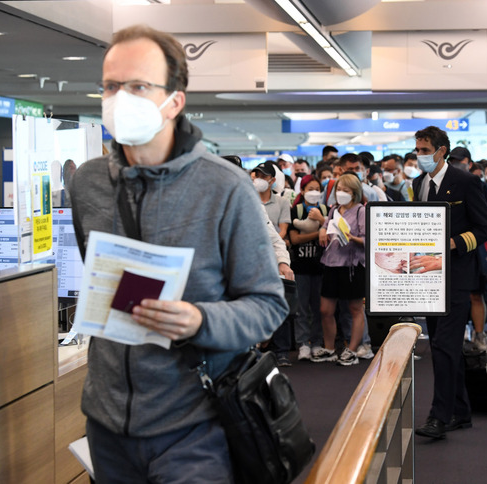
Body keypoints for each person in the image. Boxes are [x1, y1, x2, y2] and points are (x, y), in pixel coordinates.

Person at [68, 25, 288, 482]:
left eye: (138, 86)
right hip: (106, 424)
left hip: (195, 426)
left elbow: (268, 305)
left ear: (175, 101)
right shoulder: (88, 184)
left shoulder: (226, 189)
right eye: (111, 86)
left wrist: (200, 321)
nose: (119, 97)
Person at [411, 126, 487, 440]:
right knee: (441, 347)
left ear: (441, 150)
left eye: (424, 150)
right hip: (428, 277)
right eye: (417, 150)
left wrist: (452, 244)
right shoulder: (420, 183)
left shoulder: (466, 182)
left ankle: (440, 416)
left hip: (457, 277)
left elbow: (486, 229)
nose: (419, 156)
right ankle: (460, 411)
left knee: (445, 348)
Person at [314, 173, 367, 366]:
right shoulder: (334, 209)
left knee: (354, 308)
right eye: (339, 190)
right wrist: (322, 230)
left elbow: (368, 240)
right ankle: (329, 349)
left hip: (352, 266)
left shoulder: (361, 211)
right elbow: (327, 226)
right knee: (325, 309)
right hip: (331, 263)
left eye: (346, 190)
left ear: (355, 192)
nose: (341, 194)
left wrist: (351, 238)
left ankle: (352, 350)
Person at [288, 175, 327, 361]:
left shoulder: (325, 210)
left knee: (318, 308)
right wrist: (318, 232)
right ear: (302, 191)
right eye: (309, 189)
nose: (313, 192)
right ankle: (303, 343)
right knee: (301, 308)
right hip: (300, 267)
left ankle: (317, 342)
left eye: (317, 189)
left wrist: (323, 224)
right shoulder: (296, 210)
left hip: (320, 267)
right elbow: (294, 239)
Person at [251, 161, 291, 241]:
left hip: (274, 248)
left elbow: (283, 231)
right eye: (257, 176)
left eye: (263, 177)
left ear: (272, 180)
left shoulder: (282, 202)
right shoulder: (249, 202)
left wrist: (270, 245)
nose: (259, 180)